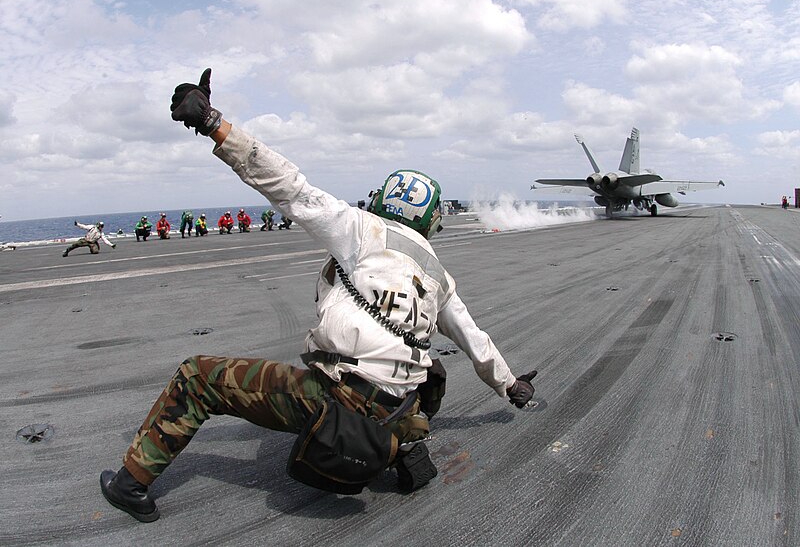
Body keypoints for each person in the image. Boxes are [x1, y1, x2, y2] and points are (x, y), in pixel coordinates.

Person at [99, 69, 535, 523]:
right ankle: (406, 442)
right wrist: (510, 385)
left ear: (382, 201)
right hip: (400, 405)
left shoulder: (361, 226)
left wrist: (212, 121)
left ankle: (131, 484)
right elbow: (475, 340)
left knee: (196, 378)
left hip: (339, 397)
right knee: (424, 365)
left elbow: (287, 184)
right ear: (430, 221)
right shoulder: (439, 276)